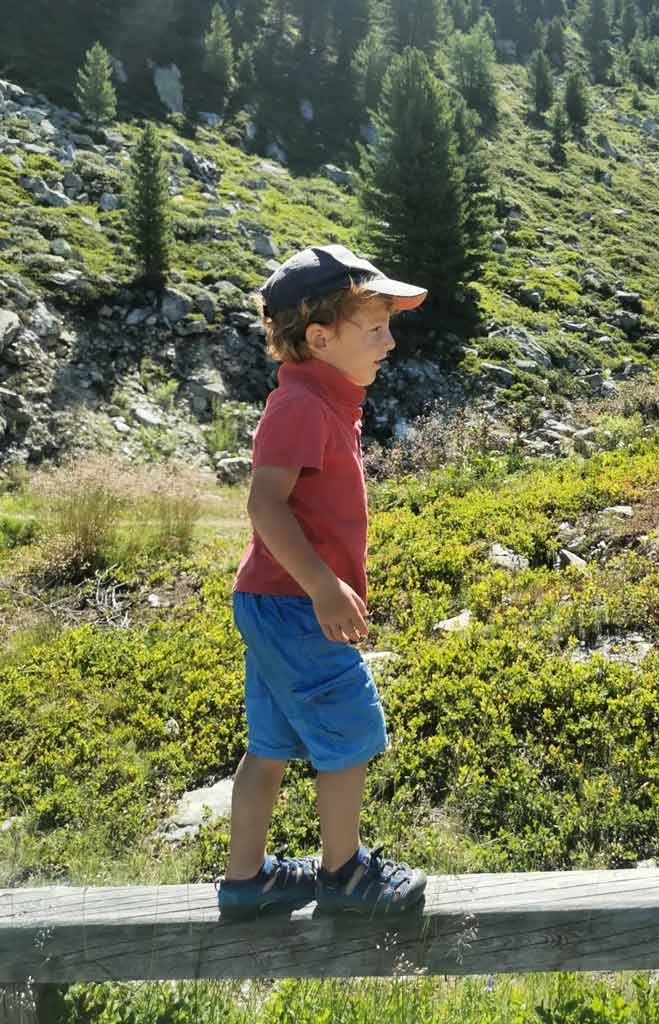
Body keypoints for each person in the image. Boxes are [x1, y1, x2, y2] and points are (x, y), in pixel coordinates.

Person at [216, 244, 428, 918]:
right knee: (351, 730)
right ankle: (345, 875)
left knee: (271, 745)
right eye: (374, 329)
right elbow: (264, 504)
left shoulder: (323, 399)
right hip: (291, 604)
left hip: (276, 602)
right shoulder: (301, 405)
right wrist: (322, 586)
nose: (389, 342)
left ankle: (248, 882)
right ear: (319, 337)